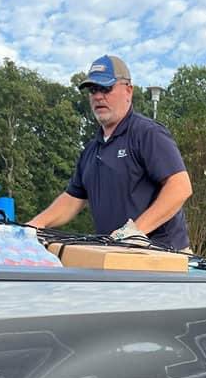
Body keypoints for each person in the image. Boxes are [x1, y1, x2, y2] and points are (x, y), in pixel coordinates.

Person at [29, 55, 192, 250]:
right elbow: (72, 199)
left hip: (161, 259)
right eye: (93, 90)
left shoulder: (147, 133)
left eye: (106, 88)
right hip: (114, 255)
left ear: (128, 91)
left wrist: (134, 231)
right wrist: (33, 226)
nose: (98, 96)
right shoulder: (90, 150)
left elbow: (180, 187)